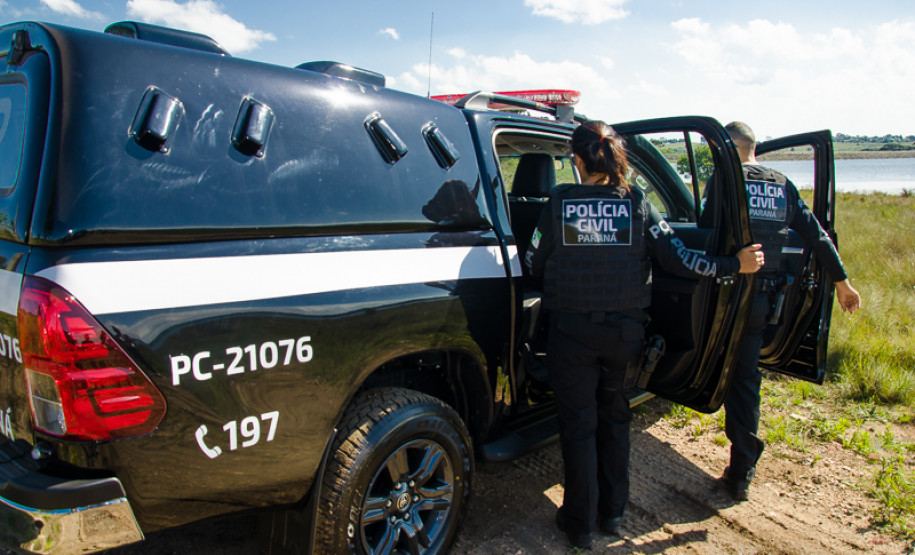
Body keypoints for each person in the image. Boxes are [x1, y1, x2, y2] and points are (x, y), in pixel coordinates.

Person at [524, 120, 765, 549]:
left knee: (578, 427)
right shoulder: (636, 201)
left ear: (577, 160)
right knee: (615, 420)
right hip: (624, 337)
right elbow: (679, 259)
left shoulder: (559, 201)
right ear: (615, 158)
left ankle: (579, 524)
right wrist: (734, 265)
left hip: (571, 334)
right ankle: (613, 514)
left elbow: (533, 262)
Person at [719, 121, 862, 502]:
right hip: (763, 300)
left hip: (725, 295)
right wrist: (842, 283)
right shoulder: (781, 184)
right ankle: (741, 469)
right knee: (746, 380)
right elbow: (816, 235)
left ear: (731, 148)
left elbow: (704, 231)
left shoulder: (727, 180)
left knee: (719, 369)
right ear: (753, 147)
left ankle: (738, 454)